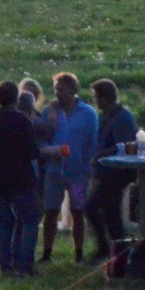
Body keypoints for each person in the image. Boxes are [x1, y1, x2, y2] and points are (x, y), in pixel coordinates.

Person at [0, 80, 41, 277]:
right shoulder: (21, 121)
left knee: (3, 221)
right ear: (16, 98)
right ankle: (24, 265)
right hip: (20, 180)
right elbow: (32, 151)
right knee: (30, 219)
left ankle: (5, 266)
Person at [42, 72, 98, 264]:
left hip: (78, 172)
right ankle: (47, 253)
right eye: (56, 89)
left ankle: (79, 254)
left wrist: (86, 164)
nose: (58, 94)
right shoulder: (49, 111)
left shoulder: (88, 114)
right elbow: (42, 137)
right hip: (53, 171)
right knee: (50, 212)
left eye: (62, 90)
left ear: (73, 90)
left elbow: (93, 142)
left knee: (77, 212)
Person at [85, 78, 138, 261]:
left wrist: (101, 155)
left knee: (92, 207)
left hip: (117, 172)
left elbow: (123, 145)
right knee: (110, 211)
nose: (95, 101)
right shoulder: (105, 115)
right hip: (106, 170)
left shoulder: (122, 118)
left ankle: (106, 247)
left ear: (104, 98)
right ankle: (119, 249)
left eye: (96, 97)